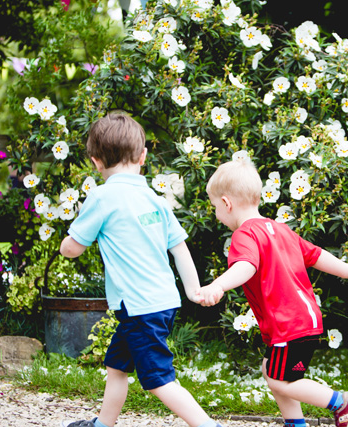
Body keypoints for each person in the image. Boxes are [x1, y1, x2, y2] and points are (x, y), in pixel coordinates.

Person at [59, 113, 223, 427]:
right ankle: (102, 425)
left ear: (95, 162)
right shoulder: (155, 199)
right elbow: (179, 247)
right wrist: (193, 290)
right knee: (117, 366)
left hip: (139, 308)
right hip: (160, 302)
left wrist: (67, 245)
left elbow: (74, 246)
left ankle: (209, 426)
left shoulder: (102, 197)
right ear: (143, 156)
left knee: (160, 380)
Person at [198, 158, 348, 427]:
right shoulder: (280, 229)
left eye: (215, 207)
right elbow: (316, 255)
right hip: (306, 319)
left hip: (287, 323)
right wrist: (347, 270)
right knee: (275, 372)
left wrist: (218, 285)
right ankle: (295, 423)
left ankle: (342, 402)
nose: (217, 215)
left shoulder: (245, 234)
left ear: (227, 203)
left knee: (279, 380)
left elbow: (246, 266)